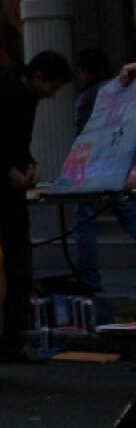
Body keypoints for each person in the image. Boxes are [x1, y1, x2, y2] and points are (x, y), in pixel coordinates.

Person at [0, 50, 72, 363]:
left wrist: (29, 162)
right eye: (52, 87)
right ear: (36, 77)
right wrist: (11, 168)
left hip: (5, 188)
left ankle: (12, 334)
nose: (52, 94)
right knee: (1, 258)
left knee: (18, 260)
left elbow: (15, 142)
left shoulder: (23, 97)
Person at [70, 48, 136, 292]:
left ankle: (89, 278)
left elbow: (83, 135)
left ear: (85, 72)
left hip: (93, 167)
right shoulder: (121, 90)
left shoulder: (89, 97)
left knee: (85, 222)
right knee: (129, 214)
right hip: (119, 163)